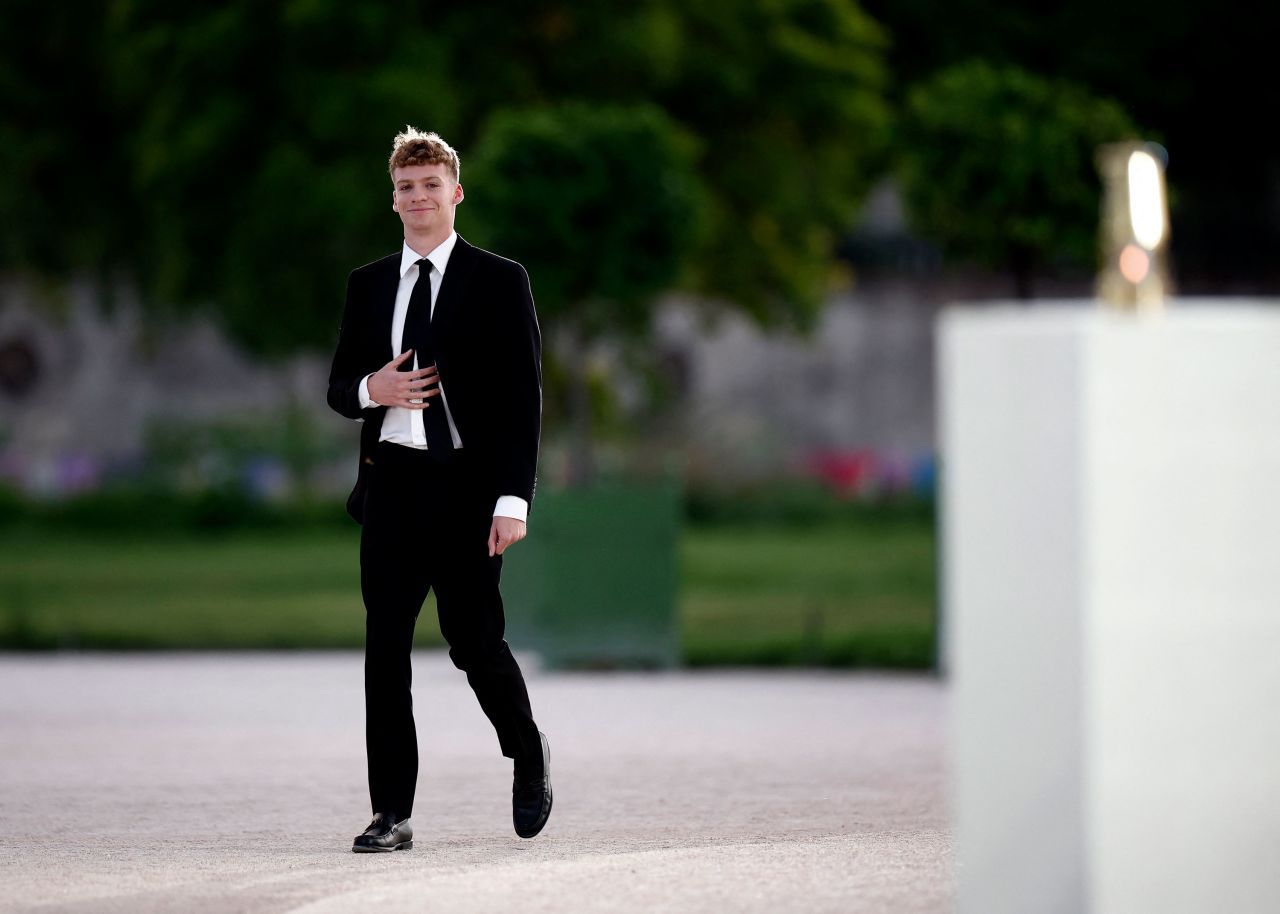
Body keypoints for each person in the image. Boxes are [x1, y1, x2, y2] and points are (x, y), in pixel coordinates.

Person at [327, 127, 551, 852]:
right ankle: (392, 812)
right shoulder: (367, 285)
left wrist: (511, 500)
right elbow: (339, 389)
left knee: (474, 643)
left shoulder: (499, 279)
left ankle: (527, 752)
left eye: (430, 185)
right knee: (384, 649)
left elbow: (523, 400)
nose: (417, 198)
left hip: (466, 492)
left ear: (455, 193)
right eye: (405, 187)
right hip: (391, 486)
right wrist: (374, 387)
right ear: (392, 200)